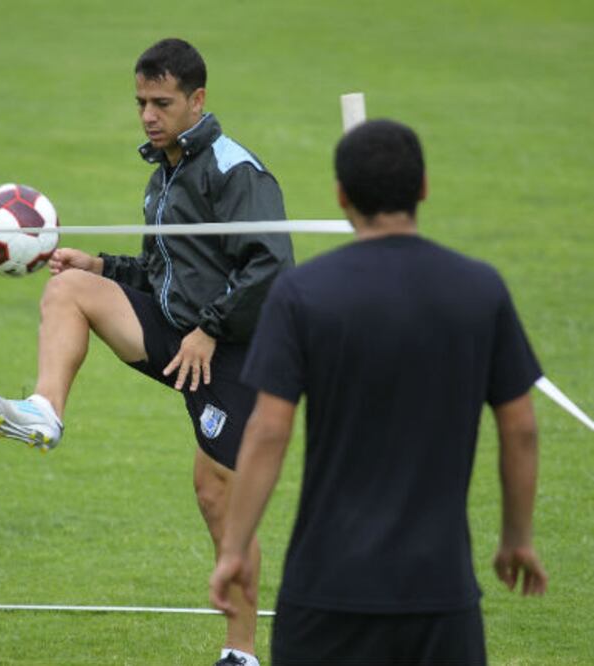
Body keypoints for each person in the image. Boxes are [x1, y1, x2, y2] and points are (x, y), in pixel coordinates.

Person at [0, 38, 294, 666]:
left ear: (197, 100)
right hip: (180, 336)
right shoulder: (164, 175)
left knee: (216, 494)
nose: (148, 114)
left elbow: (271, 268)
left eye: (162, 102)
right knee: (71, 288)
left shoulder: (234, 170)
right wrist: (100, 264)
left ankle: (242, 653)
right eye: (141, 101)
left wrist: (211, 330)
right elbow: (166, 271)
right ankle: (45, 411)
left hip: (236, 352)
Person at [209, 118, 548, 665]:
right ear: (424, 188)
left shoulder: (302, 293)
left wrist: (233, 549)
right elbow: (522, 427)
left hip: (325, 590)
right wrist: (517, 538)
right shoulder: (480, 288)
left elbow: (269, 430)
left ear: (341, 195)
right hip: (439, 593)